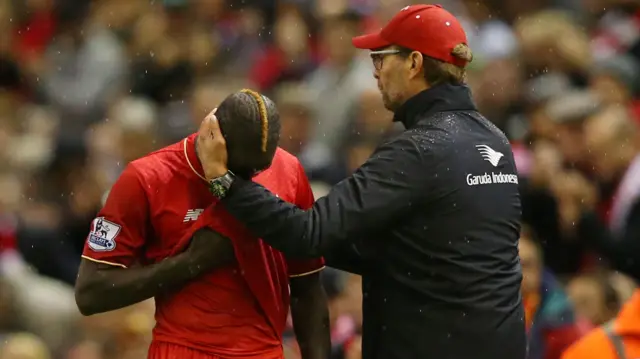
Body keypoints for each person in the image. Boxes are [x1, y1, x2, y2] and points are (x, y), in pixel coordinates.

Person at [197, 4, 525, 359]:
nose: (375, 73)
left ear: (414, 64)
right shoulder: (494, 140)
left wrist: (223, 182)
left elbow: (310, 233)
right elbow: (423, 253)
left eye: (381, 59)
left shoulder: (418, 150)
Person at [74, 90, 330, 359]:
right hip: (181, 350)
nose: (251, 180)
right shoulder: (146, 178)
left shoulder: (289, 171)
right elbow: (91, 293)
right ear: (213, 135)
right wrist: (190, 263)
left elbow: (308, 287)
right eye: (241, 170)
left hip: (264, 351)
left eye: (260, 170)